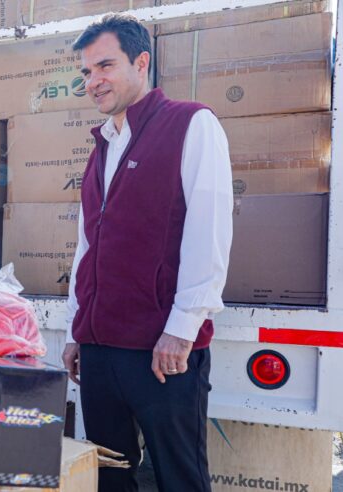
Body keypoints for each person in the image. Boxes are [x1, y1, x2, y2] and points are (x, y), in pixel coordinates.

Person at [60, 14, 233, 491]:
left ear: (141, 63)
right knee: (110, 479)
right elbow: (87, 248)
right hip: (100, 349)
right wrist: (77, 330)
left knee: (180, 478)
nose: (93, 81)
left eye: (105, 66)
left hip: (162, 351)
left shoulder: (191, 123)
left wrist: (182, 329)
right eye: (86, 72)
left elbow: (209, 230)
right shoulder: (101, 146)